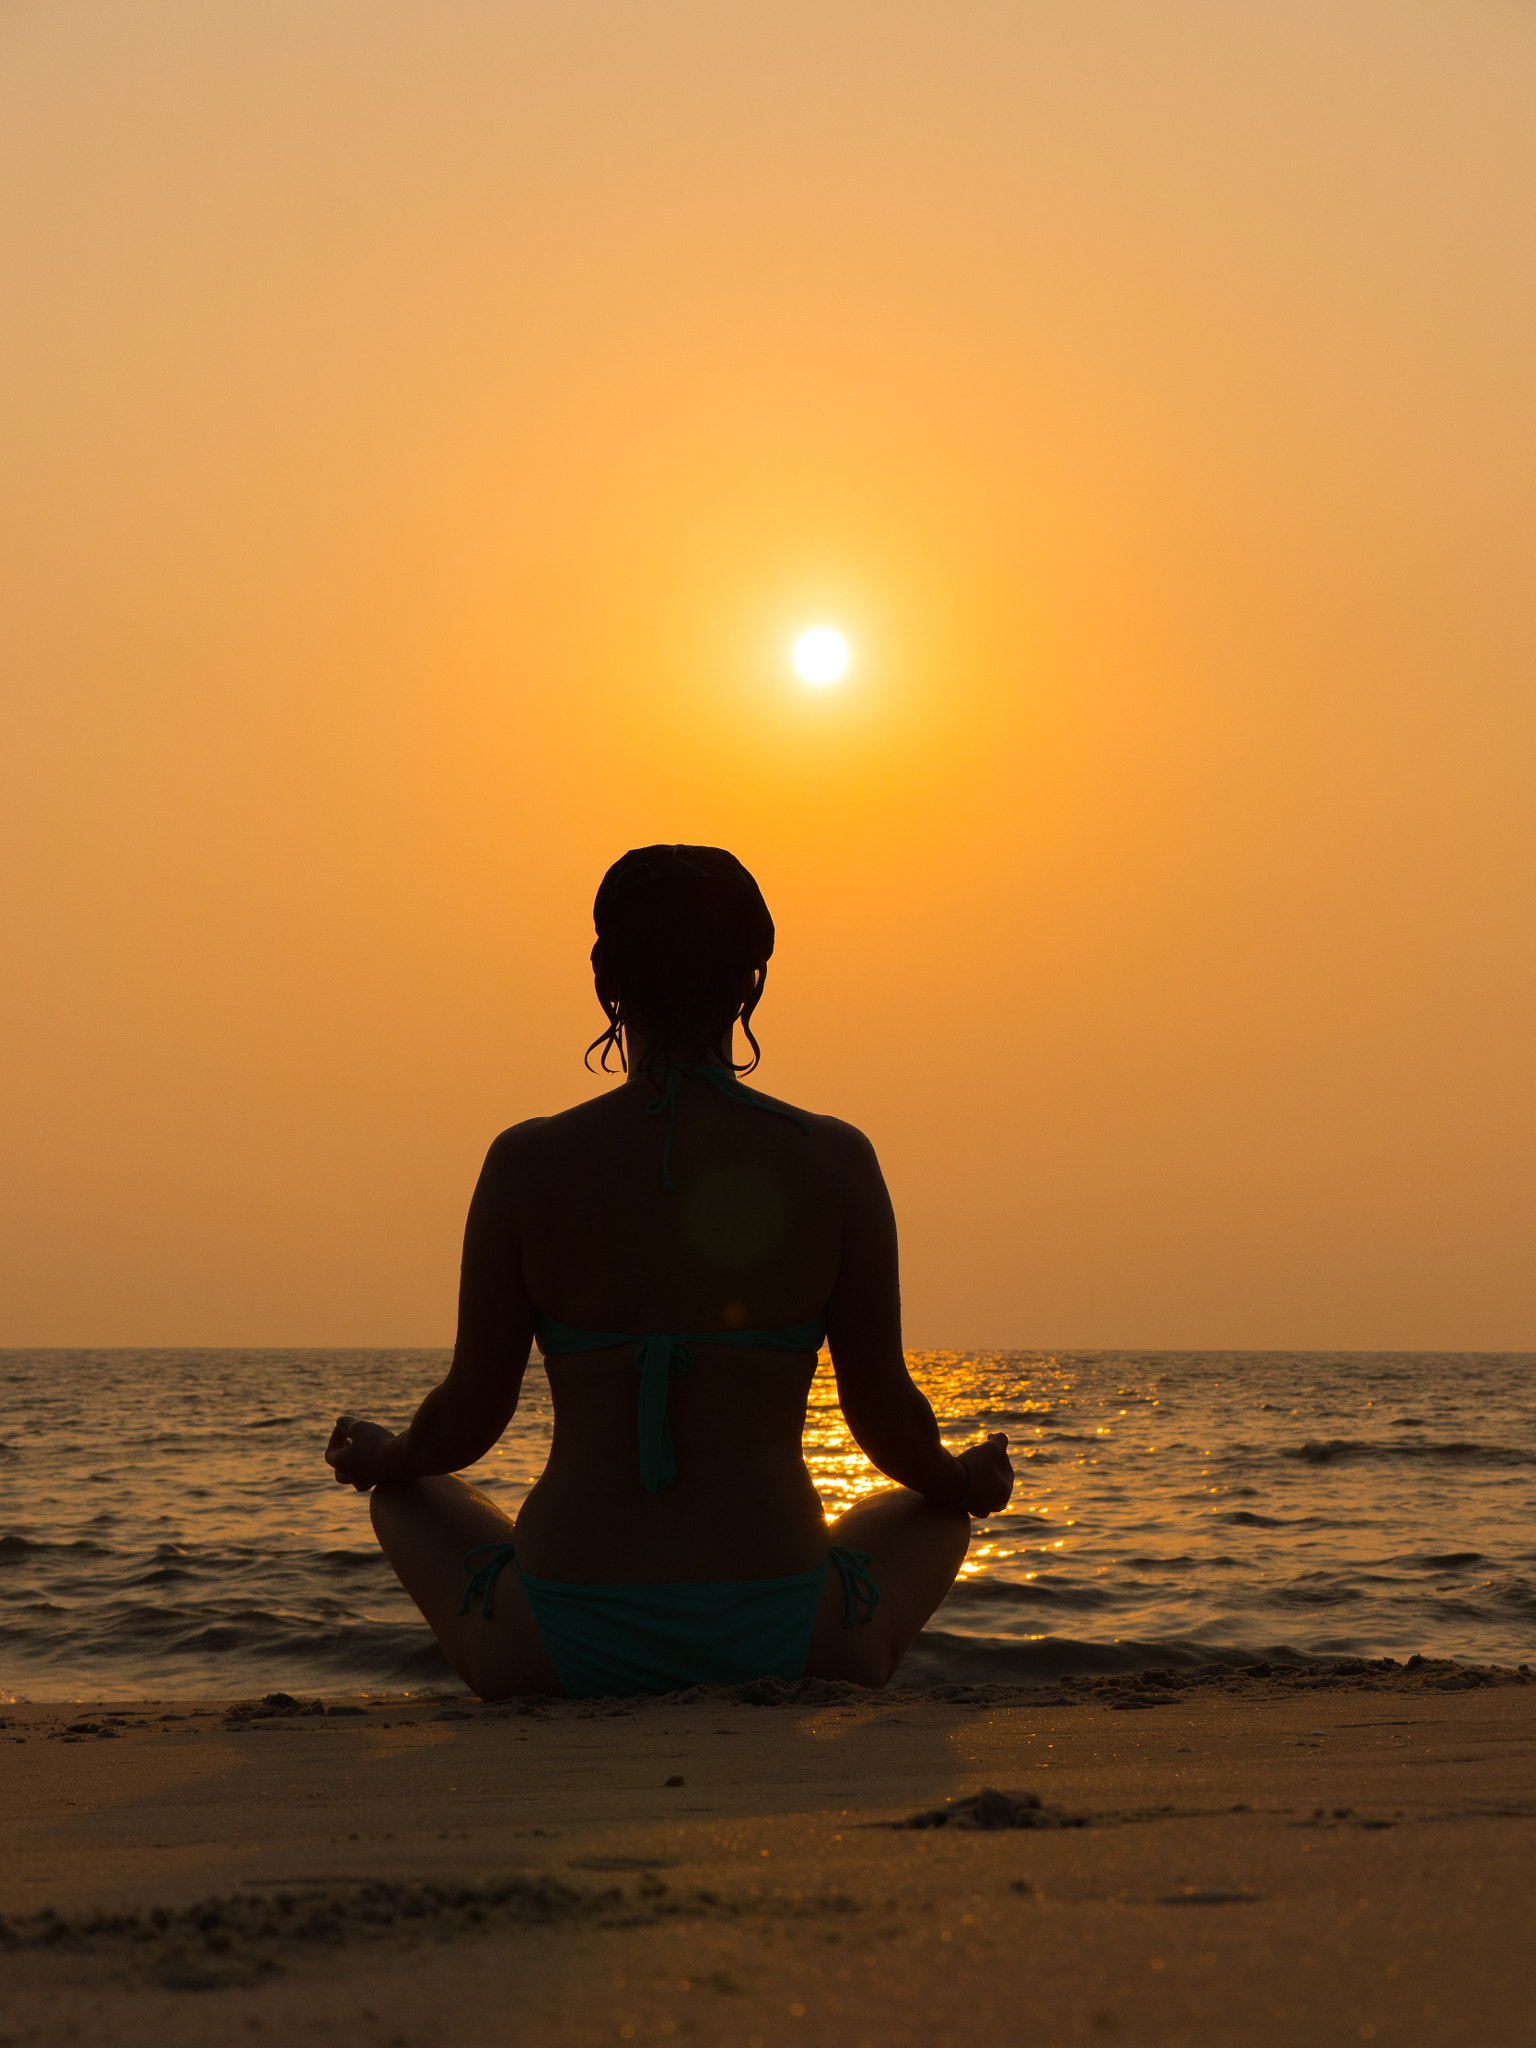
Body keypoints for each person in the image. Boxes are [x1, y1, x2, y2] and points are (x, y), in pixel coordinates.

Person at [325, 844, 1013, 1698]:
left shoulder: (527, 1163)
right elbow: (886, 1423)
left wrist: (386, 1458)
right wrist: (968, 1480)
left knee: (404, 1496)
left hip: (556, 1641)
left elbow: (470, 1416)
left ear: (606, 980)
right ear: (751, 979)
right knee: (936, 1509)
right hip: (788, 1637)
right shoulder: (834, 1160)